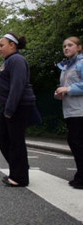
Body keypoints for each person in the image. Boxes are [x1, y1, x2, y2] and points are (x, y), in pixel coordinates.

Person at [0, 32, 37, 187]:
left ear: (12, 45)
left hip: (17, 106)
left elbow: (17, 86)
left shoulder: (17, 60)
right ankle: (19, 167)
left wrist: (10, 109)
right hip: (10, 106)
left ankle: (20, 177)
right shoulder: (10, 60)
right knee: (1, 135)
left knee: (16, 141)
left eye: (1, 45)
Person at [54, 36, 83, 189]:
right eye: (64, 46)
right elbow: (65, 86)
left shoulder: (81, 63)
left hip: (80, 111)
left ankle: (81, 177)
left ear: (79, 47)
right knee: (75, 142)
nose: (66, 48)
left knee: (76, 142)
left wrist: (68, 89)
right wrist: (59, 93)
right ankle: (80, 175)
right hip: (71, 111)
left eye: (70, 45)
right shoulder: (66, 68)